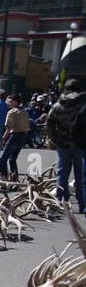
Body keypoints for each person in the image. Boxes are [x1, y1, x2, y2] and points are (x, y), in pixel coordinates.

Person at [46, 81, 86, 211]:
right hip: (80, 144)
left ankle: (62, 200)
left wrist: (54, 138)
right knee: (80, 175)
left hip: (62, 143)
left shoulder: (58, 105)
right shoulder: (82, 104)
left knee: (62, 173)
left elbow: (49, 123)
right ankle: (82, 203)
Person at [0, 94, 30, 179]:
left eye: (10, 101)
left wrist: (3, 138)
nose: (8, 103)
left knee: (3, 159)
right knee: (13, 159)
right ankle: (15, 179)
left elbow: (9, 127)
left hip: (15, 136)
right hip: (23, 136)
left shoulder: (12, 112)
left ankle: (4, 178)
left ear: (15, 102)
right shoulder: (24, 111)